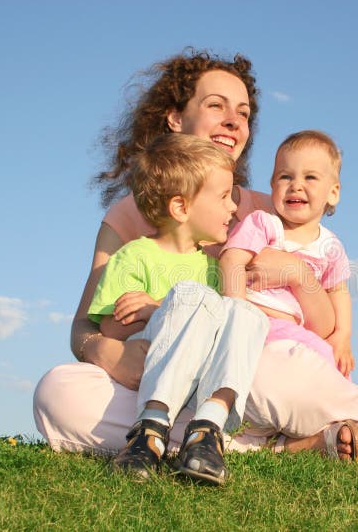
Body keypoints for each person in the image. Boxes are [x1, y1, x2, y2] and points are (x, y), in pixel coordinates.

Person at [32, 48, 358, 465]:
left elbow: (321, 323)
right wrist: (108, 354)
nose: (233, 122)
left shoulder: (276, 207)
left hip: (252, 367)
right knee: (59, 392)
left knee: (267, 363)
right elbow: (84, 328)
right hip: (156, 374)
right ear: (174, 117)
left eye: (243, 114)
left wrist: (299, 274)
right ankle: (265, 443)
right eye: (217, 107)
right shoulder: (129, 217)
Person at [87, 133, 269, 484]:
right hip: (150, 364)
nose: (233, 207)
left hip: (199, 373)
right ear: (181, 207)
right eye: (223, 198)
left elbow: (223, 335)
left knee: (245, 313)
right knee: (192, 296)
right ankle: (149, 431)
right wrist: (165, 311)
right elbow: (110, 330)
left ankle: (207, 431)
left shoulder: (214, 269)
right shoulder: (134, 256)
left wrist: (157, 307)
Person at [220, 130, 354, 378]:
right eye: (285, 177)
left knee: (333, 361)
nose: (296, 186)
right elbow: (232, 259)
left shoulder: (331, 246)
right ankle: (343, 411)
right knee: (322, 363)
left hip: (295, 331)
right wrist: (236, 313)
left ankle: (339, 411)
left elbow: (338, 291)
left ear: (333, 192)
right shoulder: (263, 224)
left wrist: (342, 336)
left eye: (310, 177)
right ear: (272, 186)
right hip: (258, 319)